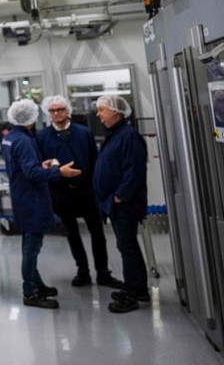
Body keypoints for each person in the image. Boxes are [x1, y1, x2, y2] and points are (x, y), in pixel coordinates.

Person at [2, 98, 81, 309]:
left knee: (29, 243)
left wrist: (42, 164)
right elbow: (31, 172)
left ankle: (36, 283)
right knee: (32, 247)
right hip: (31, 199)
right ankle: (30, 292)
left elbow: (24, 166)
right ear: (32, 116)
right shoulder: (25, 140)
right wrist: (59, 172)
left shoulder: (11, 137)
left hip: (22, 197)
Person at [38, 95, 122, 288]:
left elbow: (95, 161)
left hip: (86, 191)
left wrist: (98, 189)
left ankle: (103, 272)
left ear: (68, 111)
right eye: (52, 111)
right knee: (72, 233)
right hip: (61, 193)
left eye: (60, 109)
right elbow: (41, 165)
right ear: (47, 113)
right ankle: (82, 270)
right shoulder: (43, 137)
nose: (57, 113)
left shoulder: (83, 132)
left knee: (97, 233)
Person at [93, 95, 149, 313]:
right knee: (126, 245)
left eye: (102, 110)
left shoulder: (129, 136)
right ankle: (136, 287)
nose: (98, 114)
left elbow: (134, 170)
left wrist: (120, 196)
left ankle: (134, 292)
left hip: (124, 203)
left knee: (126, 246)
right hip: (115, 202)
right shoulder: (115, 135)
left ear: (116, 112)